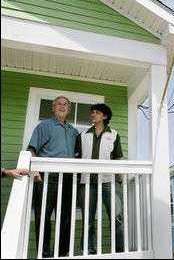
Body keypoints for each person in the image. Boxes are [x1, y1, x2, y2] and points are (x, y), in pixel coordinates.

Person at [27, 96, 79, 258]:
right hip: (47, 177)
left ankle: (62, 254)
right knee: (43, 216)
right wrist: (34, 170)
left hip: (68, 178)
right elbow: (31, 149)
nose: (62, 107)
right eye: (59, 104)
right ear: (53, 107)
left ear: (69, 109)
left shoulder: (74, 131)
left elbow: (78, 154)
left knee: (66, 218)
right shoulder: (44, 126)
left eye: (65, 105)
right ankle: (44, 255)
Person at [76, 103, 124, 254]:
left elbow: (117, 158)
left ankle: (119, 252)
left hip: (109, 182)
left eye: (97, 112)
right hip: (87, 182)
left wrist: (119, 178)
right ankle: (89, 252)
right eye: (92, 112)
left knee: (116, 218)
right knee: (87, 219)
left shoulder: (114, 134)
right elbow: (76, 156)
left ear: (105, 116)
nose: (93, 114)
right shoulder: (82, 136)